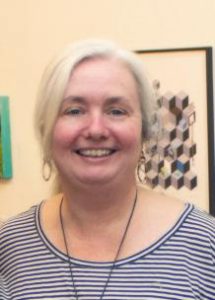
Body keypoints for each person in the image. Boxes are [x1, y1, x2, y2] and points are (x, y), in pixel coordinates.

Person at [0, 39, 214, 300]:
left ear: (144, 130)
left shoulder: (205, 245)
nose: (96, 130)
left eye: (116, 111)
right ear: (47, 129)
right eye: (74, 110)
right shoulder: (9, 246)